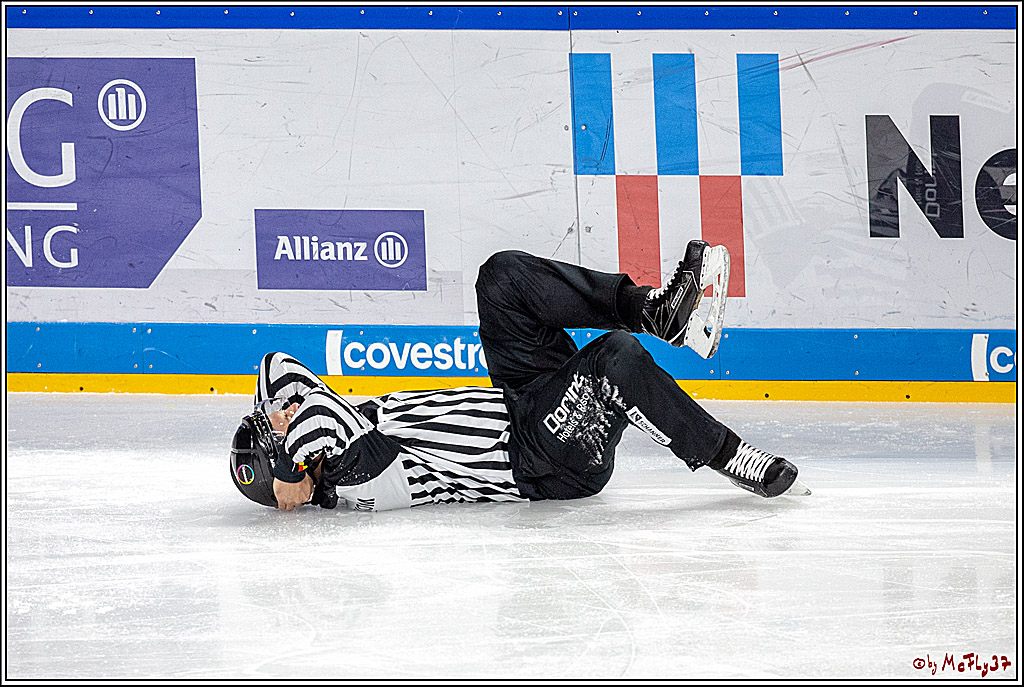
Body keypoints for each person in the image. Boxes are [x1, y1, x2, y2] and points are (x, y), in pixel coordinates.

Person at [230, 241, 808, 512]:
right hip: (541, 457)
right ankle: (729, 456)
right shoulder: (349, 477)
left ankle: (655, 309)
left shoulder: (329, 429)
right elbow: (316, 416)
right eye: (279, 426)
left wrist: (274, 424)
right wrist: (289, 464)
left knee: (500, 278)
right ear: (293, 458)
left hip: (522, 398)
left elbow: (277, 366)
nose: (287, 411)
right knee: (615, 357)